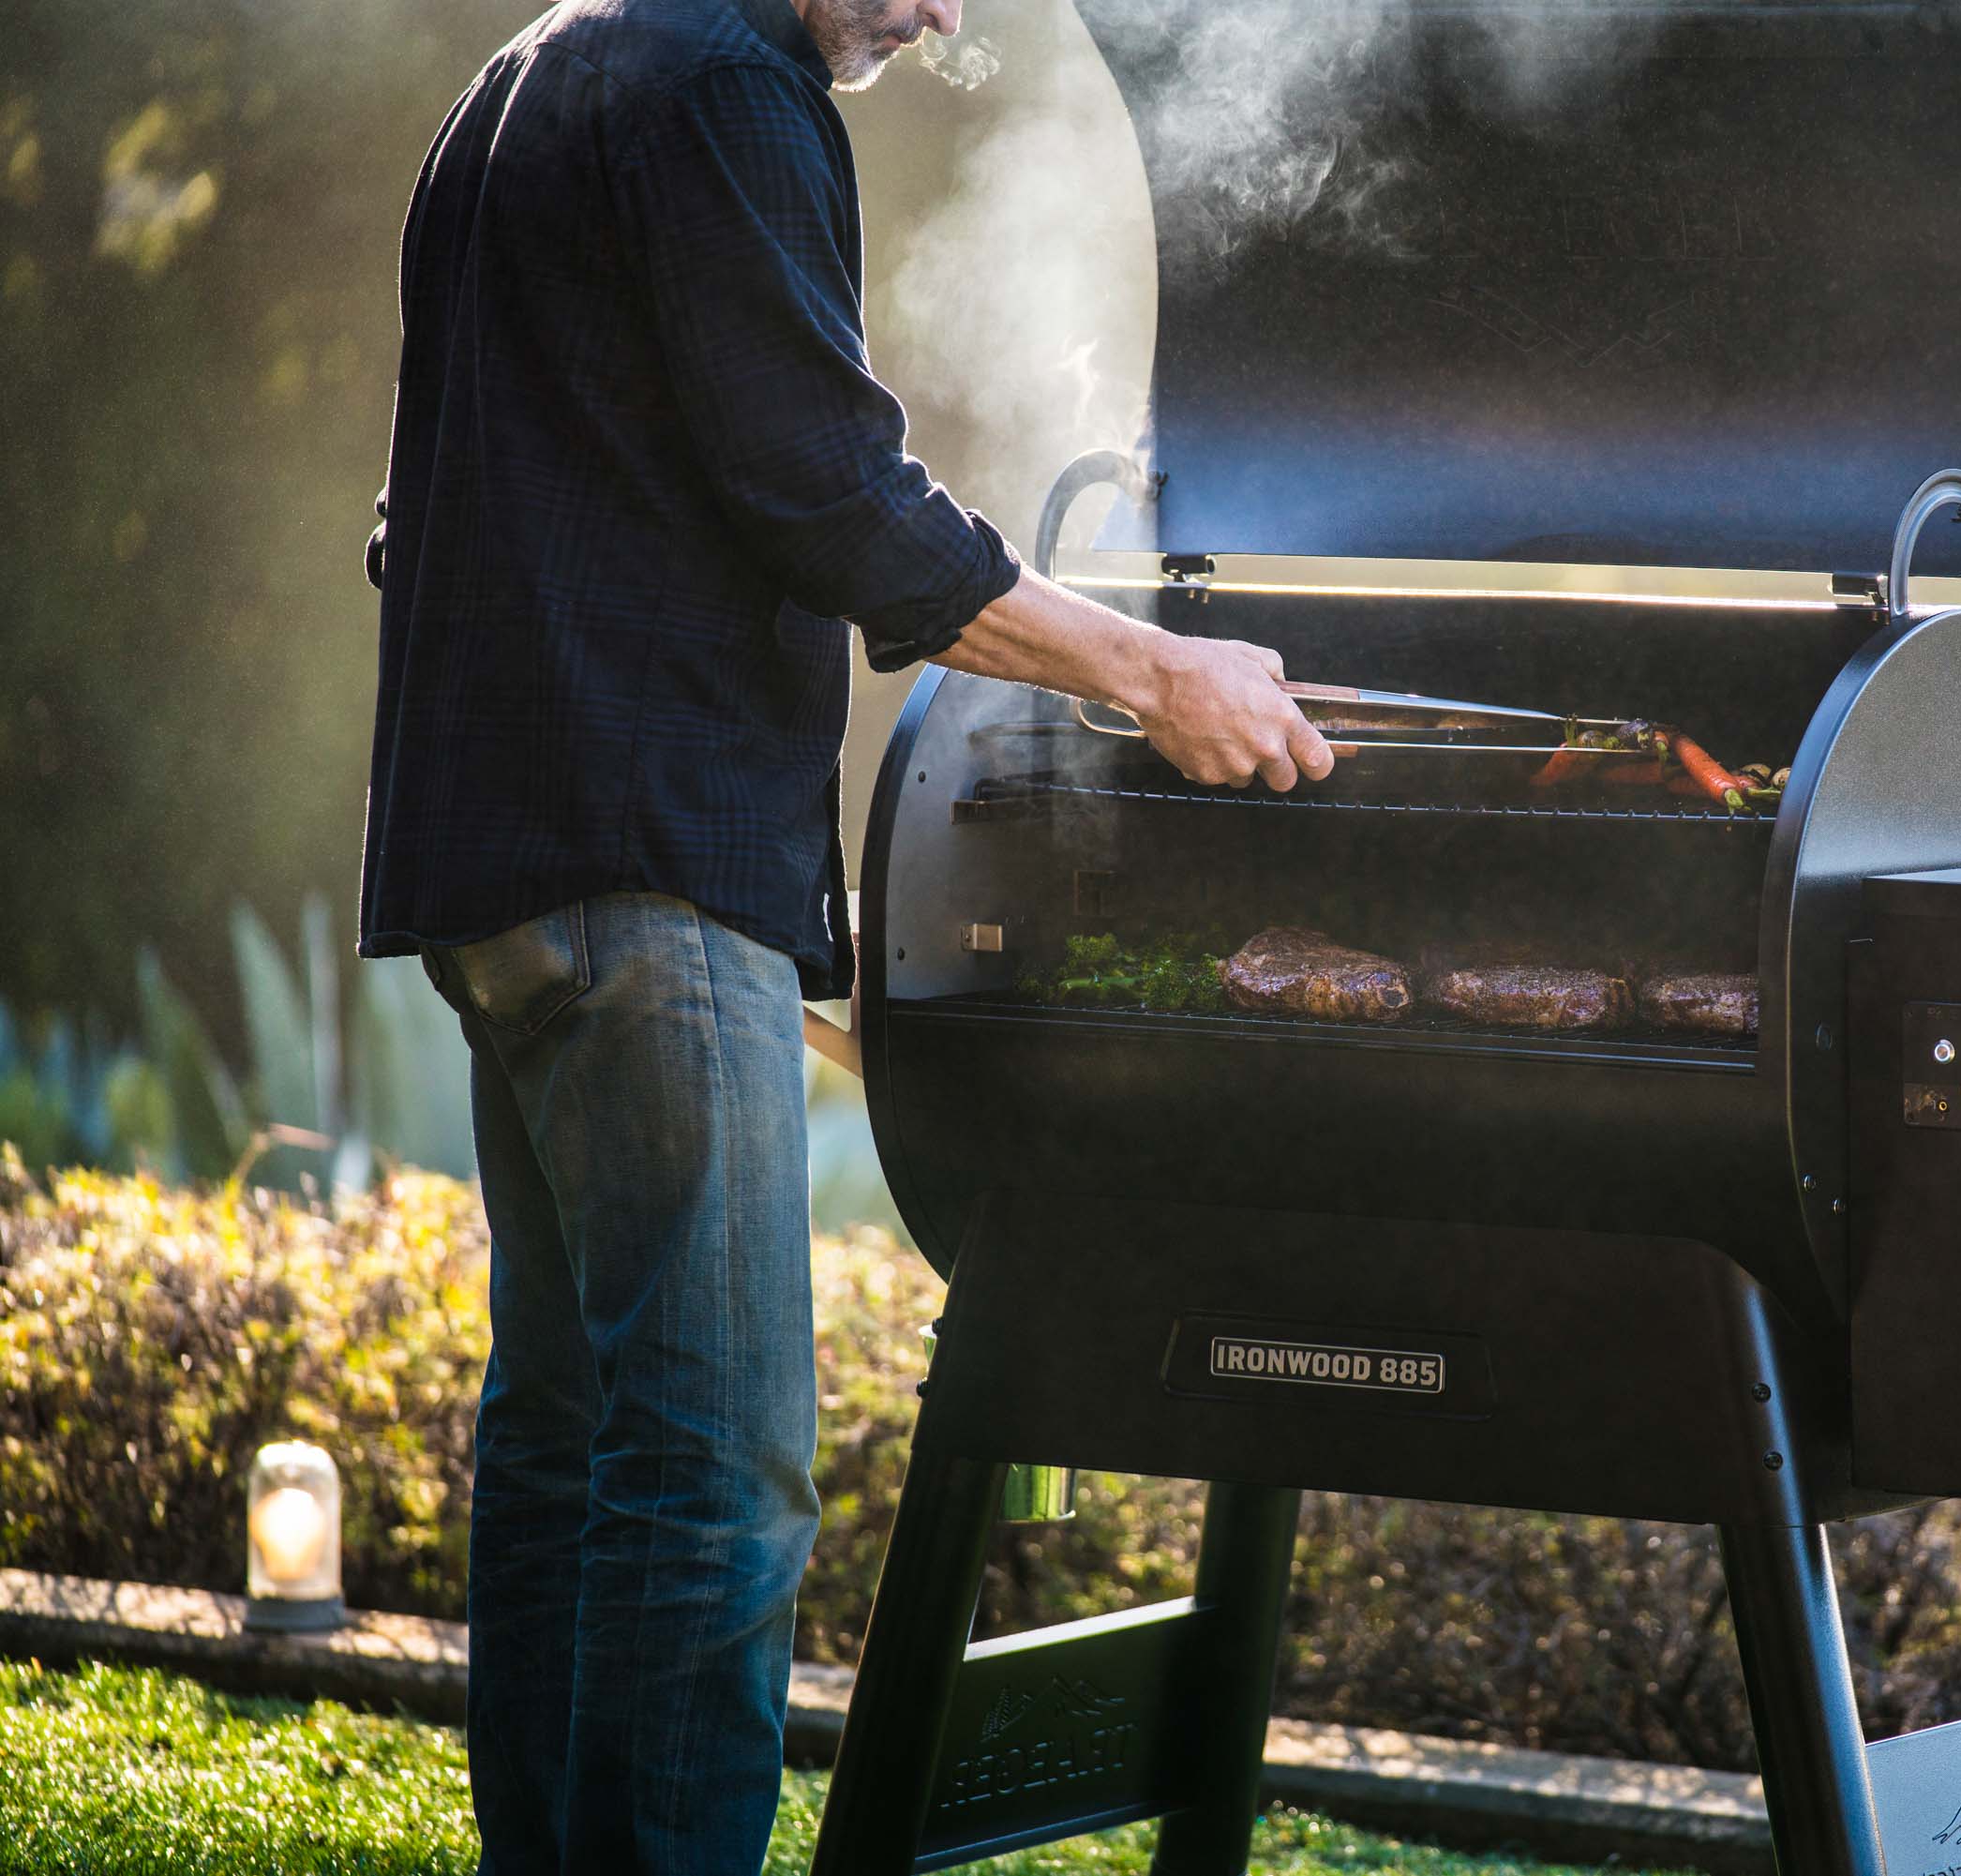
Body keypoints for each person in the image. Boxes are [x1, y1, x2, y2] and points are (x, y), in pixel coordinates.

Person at [356, 1, 1328, 1868]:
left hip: (506, 874)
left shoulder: (536, 73)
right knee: (712, 1474)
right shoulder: (732, 82)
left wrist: (796, 927)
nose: (942, 12)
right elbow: (834, 501)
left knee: (575, 1453)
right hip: (641, 877)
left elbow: (466, 523)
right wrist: (1154, 673)